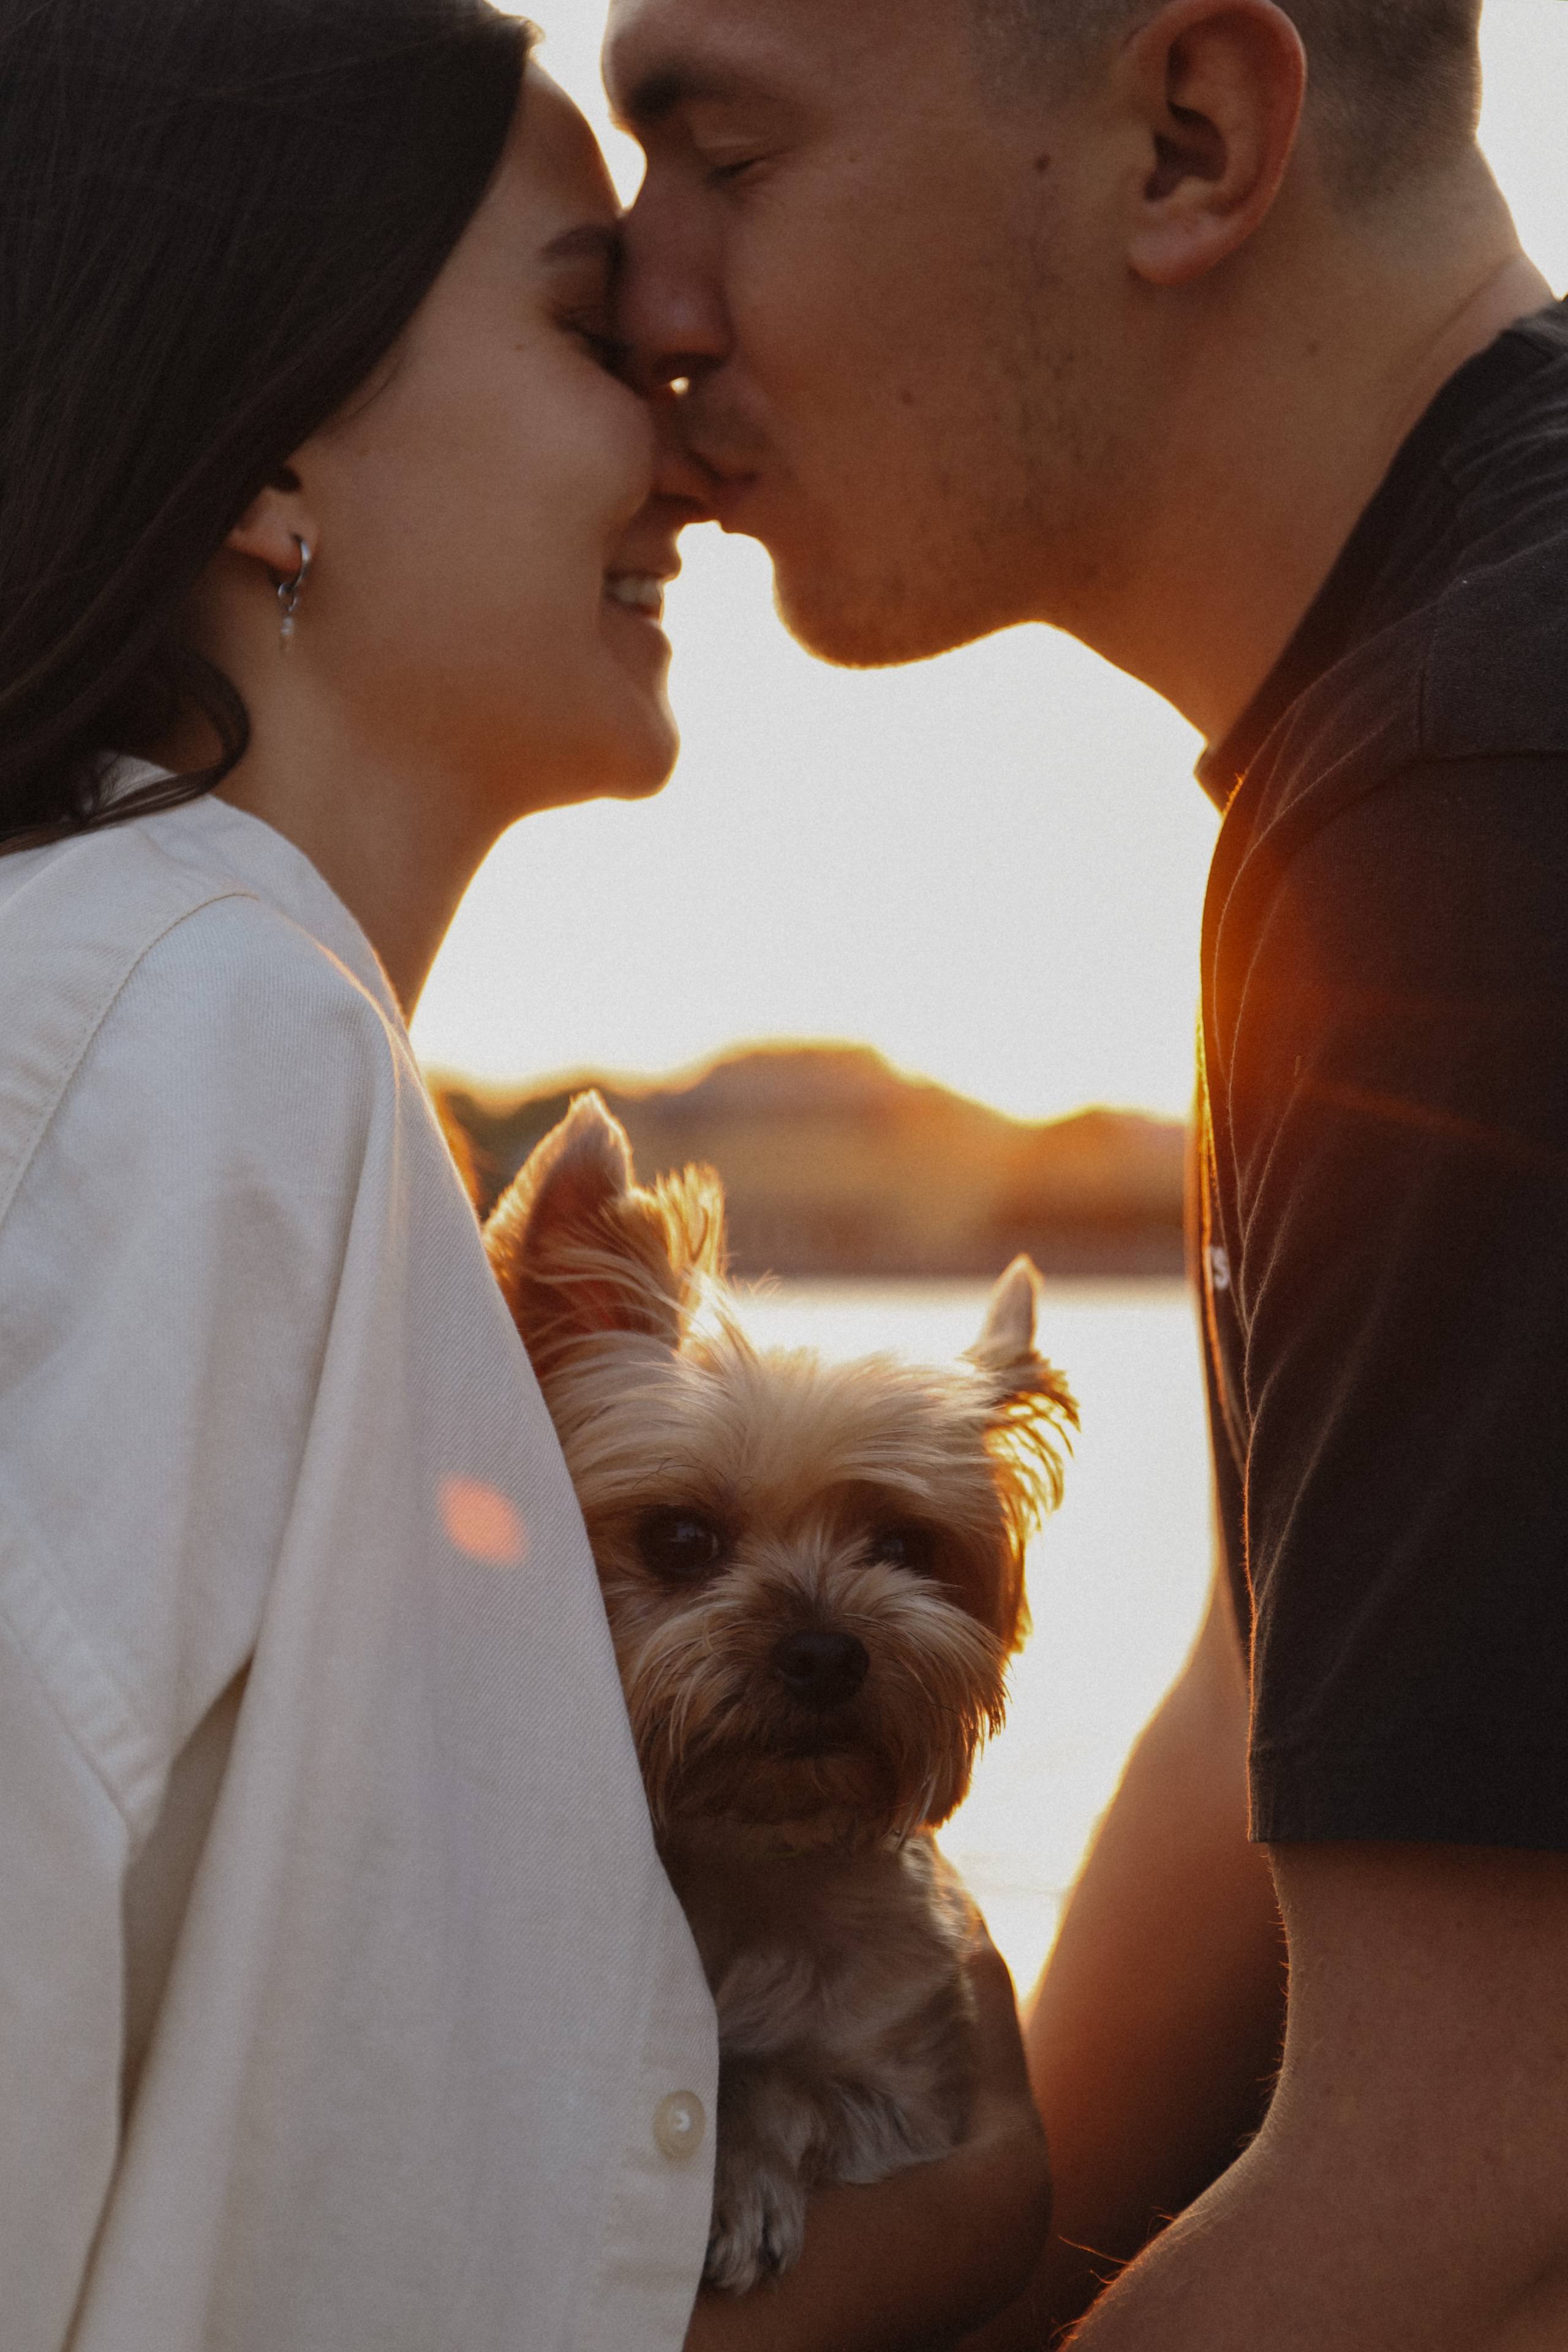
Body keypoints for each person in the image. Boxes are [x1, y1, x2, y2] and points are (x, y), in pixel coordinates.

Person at [0, 3, 1050, 2346]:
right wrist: (936, 2246)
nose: (691, 422)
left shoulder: (272, 1071)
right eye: (594, 324)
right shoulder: (183, 1039)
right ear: (274, 461)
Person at [605, 0, 1568, 2342]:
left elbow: (1479, 2171)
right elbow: (1295, 1654)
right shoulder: (1398, 749)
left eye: (722, 156)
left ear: (1189, 134)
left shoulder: (1486, 788)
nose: (641, 297)